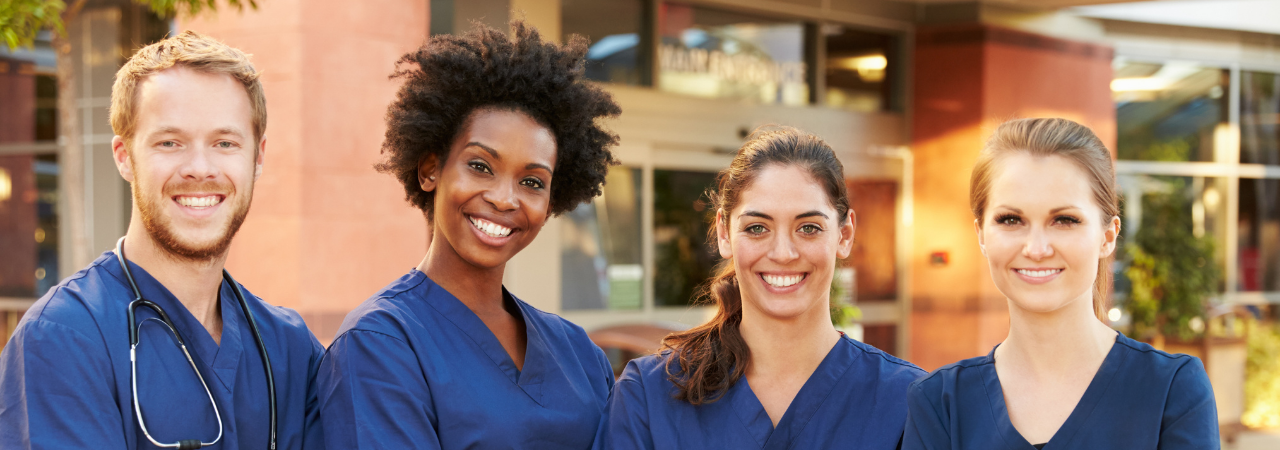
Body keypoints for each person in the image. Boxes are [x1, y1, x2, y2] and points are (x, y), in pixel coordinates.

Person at [0, 31, 325, 449]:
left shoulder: (290, 348)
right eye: (170, 142)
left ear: (257, 156)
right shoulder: (64, 337)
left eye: (225, 143)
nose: (199, 168)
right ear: (124, 155)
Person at [315, 21, 621, 449]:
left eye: (532, 182)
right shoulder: (379, 345)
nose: (503, 198)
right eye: (480, 166)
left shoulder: (579, 354)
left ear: (552, 200)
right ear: (430, 169)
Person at [593, 127, 926, 450]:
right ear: (724, 233)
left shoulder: (906, 402)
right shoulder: (650, 395)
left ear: (845, 234)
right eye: (757, 228)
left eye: (808, 228)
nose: (783, 253)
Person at [902, 118, 1219, 449]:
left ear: (1108, 236)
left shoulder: (1171, 390)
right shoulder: (940, 403)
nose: (1036, 249)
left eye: (1064, 220)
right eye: (1011, 220)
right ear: (981, 234)